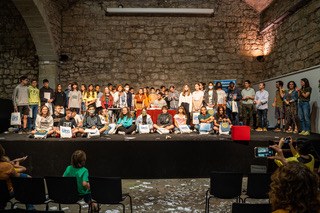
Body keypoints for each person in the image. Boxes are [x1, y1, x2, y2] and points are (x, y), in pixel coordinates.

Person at [0, 145, 26, 210]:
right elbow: (18, 175)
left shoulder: (7, 165)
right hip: (5, 194)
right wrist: (16, 164)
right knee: (25, 184)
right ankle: (31, 208)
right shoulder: (6, 166)